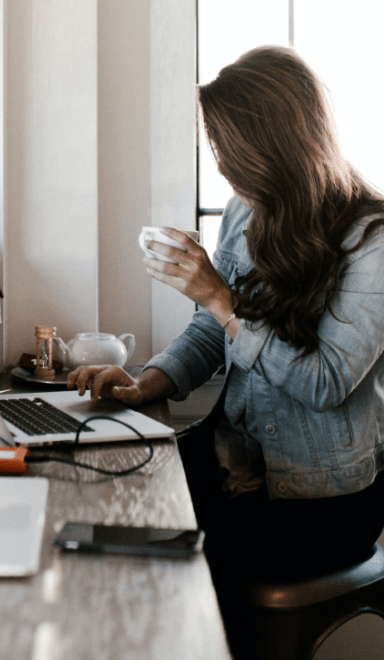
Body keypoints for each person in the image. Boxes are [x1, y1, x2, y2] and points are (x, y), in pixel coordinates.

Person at [68, 46, 384, 586]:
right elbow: (212, 330)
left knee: (155, 566)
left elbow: (325, 383)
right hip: (237, 466)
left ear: (272, 145)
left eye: (226, 148)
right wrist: (146, 383)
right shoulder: (246, 209)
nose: (220, 163)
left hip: (318, 502)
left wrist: (220, 296)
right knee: (102, 501)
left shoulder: (371, 240)